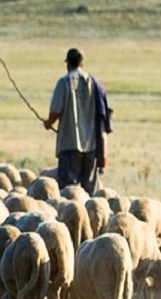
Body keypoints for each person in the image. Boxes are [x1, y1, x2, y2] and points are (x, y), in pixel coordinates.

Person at [43, 47, 112, 195]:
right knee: (89, 193)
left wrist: (48, 123)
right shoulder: (95, 84)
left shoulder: (64, 82)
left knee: (69, 194)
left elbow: (55, 112)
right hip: (92, 146)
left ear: (68, 64)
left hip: (69, 145)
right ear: (82, 63)